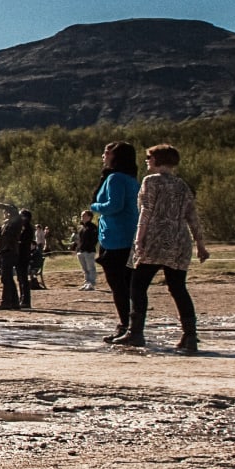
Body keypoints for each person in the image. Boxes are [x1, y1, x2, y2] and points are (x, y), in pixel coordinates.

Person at [112, 145, 210, 353]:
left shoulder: (151, 181)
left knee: (138, 286)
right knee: (178, 287)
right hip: (179, 240)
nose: (147, 160)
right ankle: (190, 335)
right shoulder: (182, 185)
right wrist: (200, 244)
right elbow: (192, 216)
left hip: (155, 238)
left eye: (149, 157)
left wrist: (138, 239)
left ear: (157, 159)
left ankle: (136, 332)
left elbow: (146, 211)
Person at [92, 142, 141, 342]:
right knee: (129, 283)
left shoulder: (115, 178)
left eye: (107, 152)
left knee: (118, 284)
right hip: (129, 235)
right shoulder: (131, 179)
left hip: (116, 237)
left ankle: (125, 326)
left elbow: (114, 205)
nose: (103, 155)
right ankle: (132, 326)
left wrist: (94, 206)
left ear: (115, 156)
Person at [0, 203, 26, 310]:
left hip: (10, 251)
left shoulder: (16, 222)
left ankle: (6, 302)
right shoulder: (6, 224)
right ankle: (14, 302)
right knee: (8, 278)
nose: (4, 213)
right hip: (4, 252)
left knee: (5, 278)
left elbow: (13, 211)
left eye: (6, 211)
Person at [73, 211, 99, 290]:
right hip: (81, 251)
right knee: (85, 269)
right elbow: (79, 240)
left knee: (91, 268)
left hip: (89, 251)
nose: (82, 217)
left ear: (89, 217)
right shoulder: (82, 228)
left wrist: (89, 247)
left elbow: (95, 239)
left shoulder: (93, 227)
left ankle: (92, 283)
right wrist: (77, 248)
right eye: (81, 215)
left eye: (84, 215)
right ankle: (87, 282)